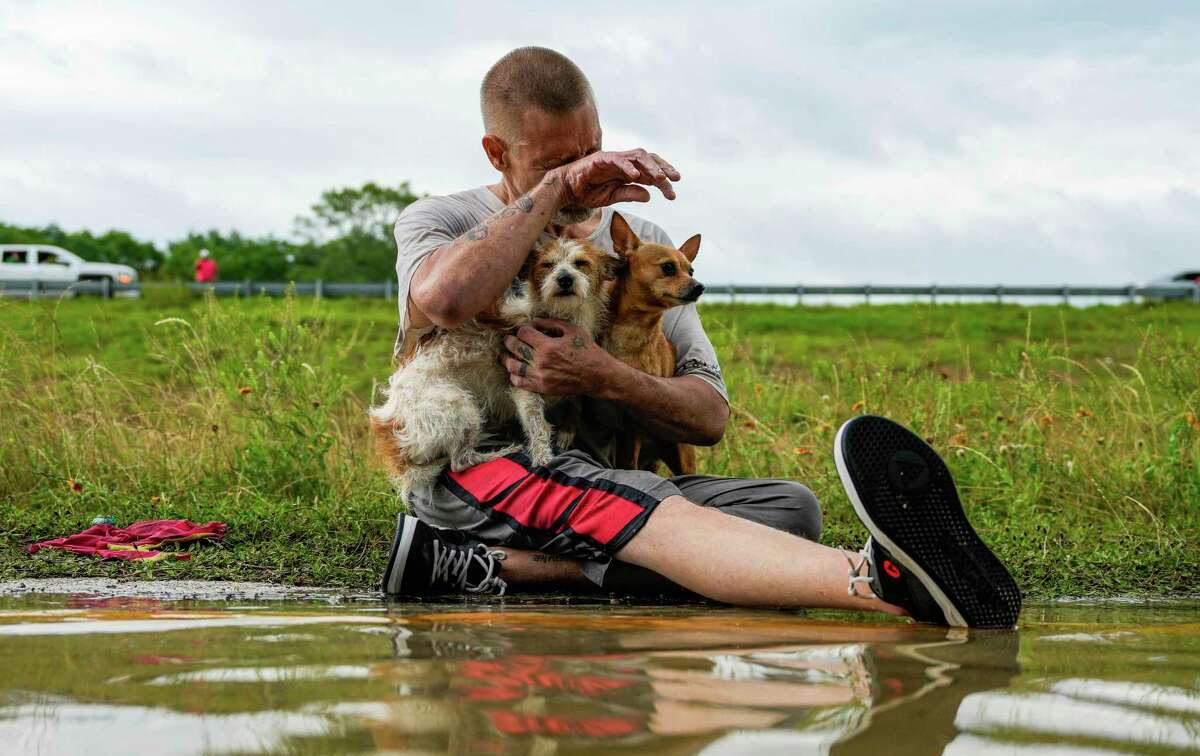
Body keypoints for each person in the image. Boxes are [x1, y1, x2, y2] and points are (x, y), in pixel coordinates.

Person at [380, 47, 1021, 628]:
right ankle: (877, 580)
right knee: (645, 497)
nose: (584, 175)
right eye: (557, 163)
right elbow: (443, 300)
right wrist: (553, 194)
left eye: (590, 152)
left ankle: (487, 568)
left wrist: (601, 373)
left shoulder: (642, 249)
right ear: (498, 153)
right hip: (479, 466)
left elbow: (708, 418)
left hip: (601, 478)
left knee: (789, 511)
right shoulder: (441, 220)